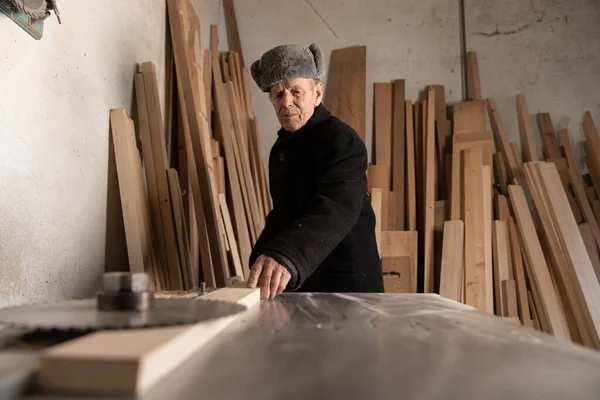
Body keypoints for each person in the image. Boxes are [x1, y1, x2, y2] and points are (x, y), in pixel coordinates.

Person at [247, 43, 383, 299]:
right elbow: (283, 214)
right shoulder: (282, 149)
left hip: (346, 284)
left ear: (317, 93)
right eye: (277, 95)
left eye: (295, 92)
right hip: (306, 281)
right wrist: (261, 258)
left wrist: (285, 255)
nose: (286, 102)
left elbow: (335, 207)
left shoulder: (341, 140)